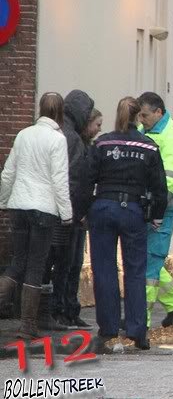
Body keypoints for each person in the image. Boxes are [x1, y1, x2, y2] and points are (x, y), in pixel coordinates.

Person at [86, 97, 167, 351]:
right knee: (135, 270)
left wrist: (85, 209)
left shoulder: (102, 143)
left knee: (105, 270)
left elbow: (87, 178)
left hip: (104, 208)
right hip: (133, 210)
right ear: (138, 117)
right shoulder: (149, 147)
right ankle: (137, 331)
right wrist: (157, 215)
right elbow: (159, 188)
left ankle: (108, 330)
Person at [0, 92, 73, 339]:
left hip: (19, 205)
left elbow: (8, 172)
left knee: (17, 261)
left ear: (40, 108)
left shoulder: (23, 135)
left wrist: (3, 200)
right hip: (43, 209)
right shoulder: (57, 139)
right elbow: (59, 179)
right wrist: (67, 213)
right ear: (60, 112)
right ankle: (28, 326)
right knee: (35, 266)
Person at [137, 92, 173, 328]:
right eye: (140, 115)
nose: (141, 119)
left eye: (145, 115)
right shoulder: (145, 131)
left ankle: (142, 320)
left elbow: (170, 180)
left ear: (159, 112)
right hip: (149, 206)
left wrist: (154, 209)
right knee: (146, 257)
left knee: (149, 262)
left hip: (164, 208)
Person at [49, 90, 95, 330]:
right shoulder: (73, 138)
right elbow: (76, 180)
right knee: (68, 264)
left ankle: (61, 310)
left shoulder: (58, 131)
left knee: (59, 263)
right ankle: (63, 310)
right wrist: (78, 213)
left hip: (55, 210)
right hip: (69, 215)